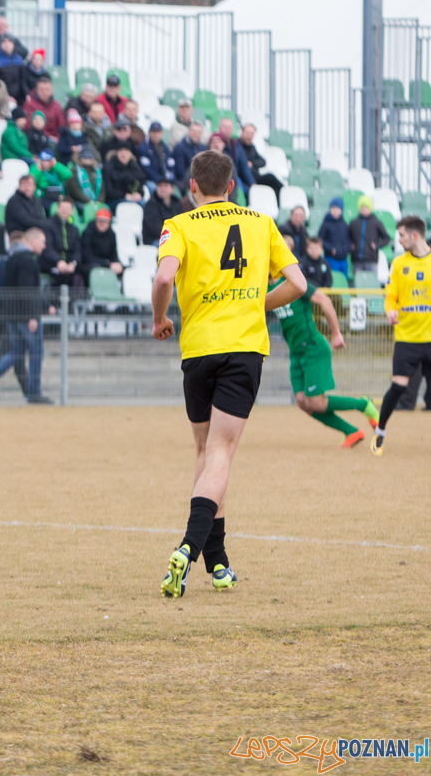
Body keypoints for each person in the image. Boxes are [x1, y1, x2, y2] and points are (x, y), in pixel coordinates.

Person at [152, 148, 303, 598]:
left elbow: (163, 280)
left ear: (192, 187)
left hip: (198, 349)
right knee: (220, 454)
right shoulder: (262, 223)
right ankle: (188, 549)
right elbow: (298, 284)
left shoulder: (177, 225)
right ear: (232, 187)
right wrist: (257, 303)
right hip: (243, 349)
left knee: (205, 451)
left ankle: (219, 564)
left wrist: (160, 319)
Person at [270, 271, 380, 448]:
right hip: (295, 353)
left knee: (316, 403)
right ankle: (352, 431)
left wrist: (336, 333)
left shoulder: (293, 282)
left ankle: (363, 404)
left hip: (313, 348)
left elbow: (324, 300)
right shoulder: (266, 288)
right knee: (302, 402)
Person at [370, 216, 431, 455]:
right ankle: (381, 431)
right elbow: (390, 296)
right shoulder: (398, 263)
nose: (399, 240)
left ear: (415, 235)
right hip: (406, 338)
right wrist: (390, 310)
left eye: (402, 235)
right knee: (398, 387)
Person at [0, 227, 53, 404]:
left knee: (16, 352)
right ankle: (34, 392)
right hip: (26, 317)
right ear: (32, 240)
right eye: (42, 242)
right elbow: (28, 292)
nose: (44, 245)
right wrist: (33, 316)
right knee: (35, 353)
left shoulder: (10, 260)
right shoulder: (28, 261)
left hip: (12, 315)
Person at [79, 205, 124, 285]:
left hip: (105, 263)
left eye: (104, 221)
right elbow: (87, 256)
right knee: (95, 268)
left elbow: (114, 254)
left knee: (122, 269)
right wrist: (108, 264)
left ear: (109, 222)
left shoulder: (112, 234)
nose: (102, 223)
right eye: (100, 221)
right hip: (89, 264)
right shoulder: (88, 232)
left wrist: (116, 263)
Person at [350, 197, 390, 275]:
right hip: (356, 260)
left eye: (366, 207)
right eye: (362, 207)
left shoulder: (376, 222)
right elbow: (348, 237)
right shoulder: (353, 223)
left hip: (371, 259)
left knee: (372, 283)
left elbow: (386, 238)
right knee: (358, 284)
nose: (364, 209)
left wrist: (377, 245)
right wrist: (351, 245)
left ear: (370, 208)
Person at [142, 177, 184, 246]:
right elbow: (156, 228)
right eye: (160, 186)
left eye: (166, 186)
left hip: (174, 237)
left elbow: (182, 222)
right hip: (155, 239)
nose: (163, 188)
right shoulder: (151, 204)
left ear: (172, 189)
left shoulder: (176, 202)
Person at [318, 197, 350, 277]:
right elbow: (320, 239)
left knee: (343, 280)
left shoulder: (344, 223)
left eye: (337, 208)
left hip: (343, 259)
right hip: (331, 259)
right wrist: (331, 249)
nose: (335, 210)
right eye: (333, 208)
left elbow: (347, 238)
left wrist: (347, 249)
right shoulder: (325, 223)